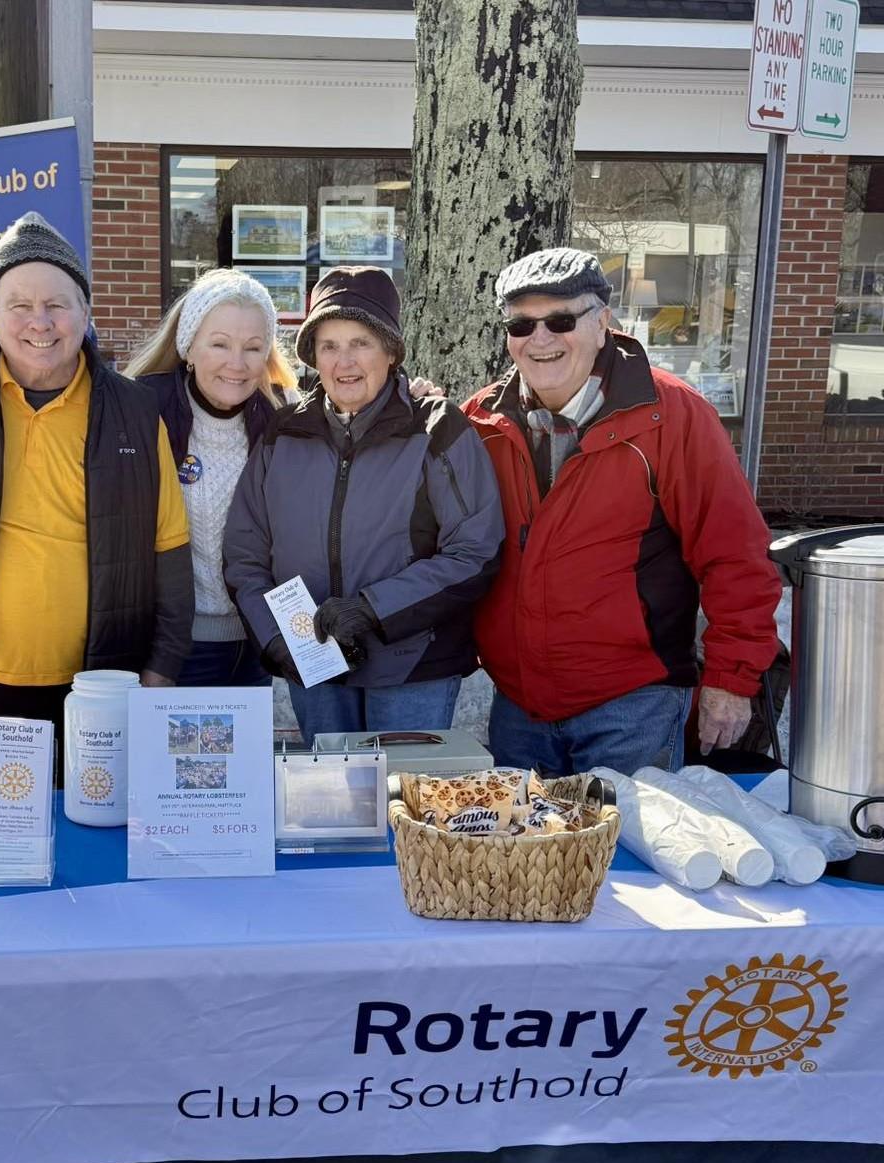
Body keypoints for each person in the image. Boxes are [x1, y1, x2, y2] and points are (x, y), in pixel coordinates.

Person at [0, 211, 193, 793]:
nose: (39, 322)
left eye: (58, 304)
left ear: (86, 313)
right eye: (19, 304)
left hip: (96, 688)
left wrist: (162, 665)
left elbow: (168, 547)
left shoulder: (133, 412)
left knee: (87, 857)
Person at [462, 246, 780, 778]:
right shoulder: (482, 421)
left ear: (603, 322)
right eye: (521, 325)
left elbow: (735, 554)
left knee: (626, 859)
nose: (540, 339)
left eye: (561, 319)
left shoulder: (672, 416)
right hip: (520, 707)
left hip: (633, 706)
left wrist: (731, 679)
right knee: (525, 861)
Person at [223, 266, 503, 744]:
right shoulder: (283, 434)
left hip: (413, 668)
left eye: (361, 342)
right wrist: (278, 641)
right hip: (313, 665)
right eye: (329, 346)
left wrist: (372, 610)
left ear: (391, 351)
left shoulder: (435, 429)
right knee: (331, 805)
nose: (343, 361)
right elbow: (245, 555)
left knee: (405, 806)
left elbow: (475, 552)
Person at [123, 269, 298, 688]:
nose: (236, 364)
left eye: (253, 348)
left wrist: (414, 397)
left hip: (254, 642)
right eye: (219, 344)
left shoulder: (285, 421)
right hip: (170, 649)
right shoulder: (140, 411)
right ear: (189, 347)